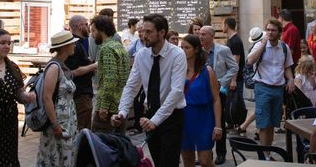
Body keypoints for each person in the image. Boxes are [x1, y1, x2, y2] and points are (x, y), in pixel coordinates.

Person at [112, 14, 186, 167]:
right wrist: (122, 112)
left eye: (148, 32)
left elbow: (176, 91)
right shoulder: (141, 55)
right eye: (142, 31)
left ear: (162, 33)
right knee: (157, 161)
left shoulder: (177, 55)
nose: (143, 36)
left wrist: (155, 121)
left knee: (168, 163)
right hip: (150, 115)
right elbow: (131, 86)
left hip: (171, 117)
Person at [0, 28, 34, 167]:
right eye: (2, 43)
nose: (7, 46)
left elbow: (18, 94)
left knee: (8, 157)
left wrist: (27, 97)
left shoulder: (12, 67)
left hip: (9, 122)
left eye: (9, 43)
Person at [246, 18, 295, 159]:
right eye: (268, 30)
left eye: (273, 30)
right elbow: (250, 61)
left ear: (279, 32)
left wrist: (291, 79)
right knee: (263, 123)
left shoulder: (284, 47)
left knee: (273, 123)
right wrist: (263, 44)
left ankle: (268, 153)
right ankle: (265, 155)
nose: (270, 32)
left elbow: (286, 67)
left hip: (278, 88)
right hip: (262, 86)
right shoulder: (259, 45)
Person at [36, 31, 78, 167]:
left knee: (63, 157)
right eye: (73, 43)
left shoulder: (61, 65)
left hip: (66, 122)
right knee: (54, 157)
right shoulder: (54, 67)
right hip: (58, 123)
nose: (75, 46)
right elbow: (46, 97)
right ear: (65, 47)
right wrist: (55, 125)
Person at [180, 35, 222, 167]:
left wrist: (218, 125)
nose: (183, 50)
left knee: (205, 161)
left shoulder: (207, 71)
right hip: (184, 118)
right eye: (181, 48)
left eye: (187, 47)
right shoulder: (178, 71)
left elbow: (216, 99)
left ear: (196, 49)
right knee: (188, 161)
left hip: (204, 118)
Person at [199, 25, 238, 165]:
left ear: (212, 36)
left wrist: (221, 82)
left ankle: (221, 153)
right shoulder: (198, 51)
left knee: (218, 121)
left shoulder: (223, 50)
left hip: (218, 92)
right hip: (202, 91)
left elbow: (234, 67)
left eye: (204, 34)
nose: (200, 36)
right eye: (200, 34)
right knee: (203, 122)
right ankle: (204, 153)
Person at [90, 14, 130, 133]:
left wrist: (104, 106)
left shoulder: (106, 48)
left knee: (100, 144)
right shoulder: (119, 47)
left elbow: (110, 78)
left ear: (101, 31)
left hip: (108, 108)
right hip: (120, 104)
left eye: (93, 31)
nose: (92, 35)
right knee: (117, 143)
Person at [65, 15, 97, 130]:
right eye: (86, 24)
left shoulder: (78, 43)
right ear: (79, 26)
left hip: (81, 93)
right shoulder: (75, 45)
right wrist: (94, 65)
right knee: (82, 130)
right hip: (80, 95)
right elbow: (73, 72)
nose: (88, 28)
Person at [236, 27, 264, 137]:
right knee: (261, 107)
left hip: (257, 80)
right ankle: (248, 127)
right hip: (260, 81)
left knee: (261, 107)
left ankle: (255, 129)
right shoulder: (258, 47)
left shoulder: (254, 47)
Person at [223, 17, 245, 97]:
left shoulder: (235, 41)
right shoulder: (231, 39)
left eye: (223, 24)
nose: (222, 27)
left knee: (236, 105)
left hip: (236, 80)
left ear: (226, 25)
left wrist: (233, 80)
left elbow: (236, 62)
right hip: (230, 78)